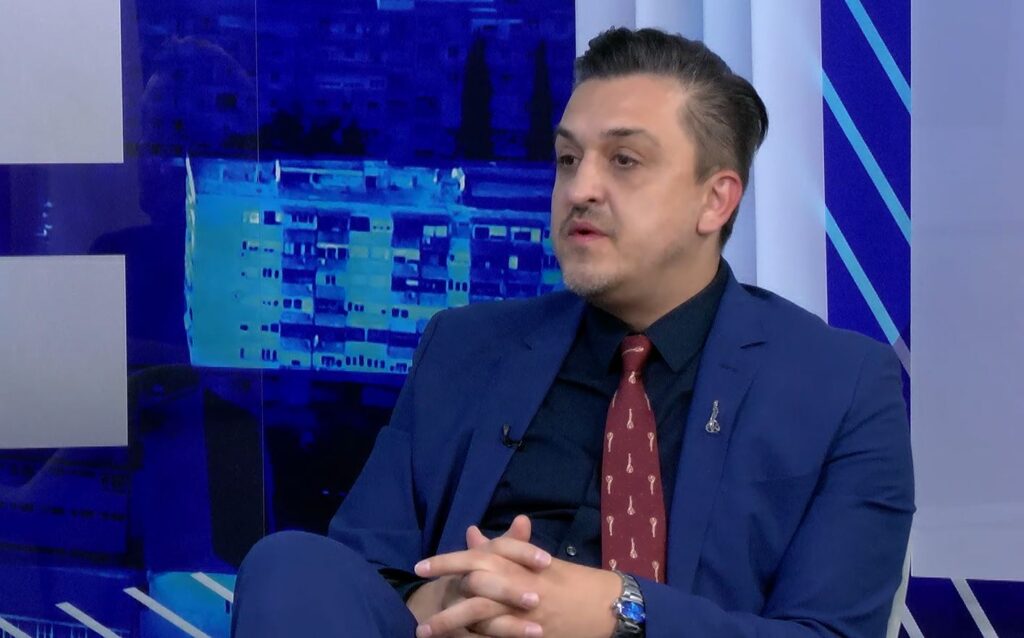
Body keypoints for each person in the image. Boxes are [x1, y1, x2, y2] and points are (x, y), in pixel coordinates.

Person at [231, 27, 914, 638]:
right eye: (566, 159)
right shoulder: (463, 348)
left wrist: (621, 611)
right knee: (288, 564)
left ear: (716, 199)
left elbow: (832, 631)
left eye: (624, 161)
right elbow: (362, 572)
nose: (580, 189)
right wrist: (449, 596)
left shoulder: (842, 386)